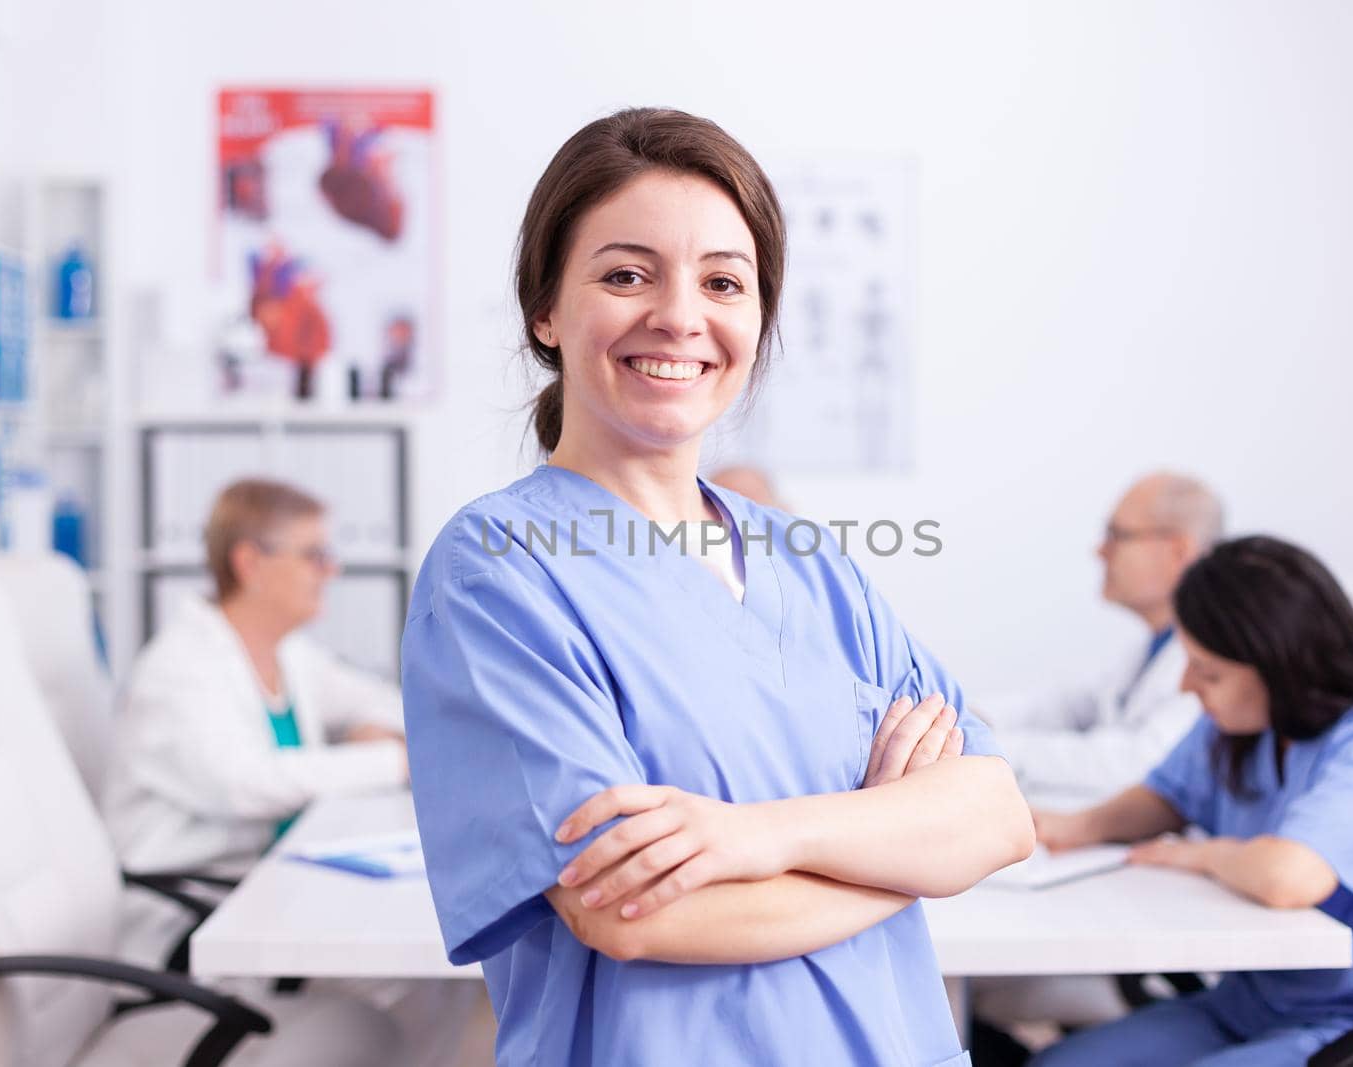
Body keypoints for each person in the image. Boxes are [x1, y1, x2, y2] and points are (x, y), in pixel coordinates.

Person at [401, 107, 1033, 1067]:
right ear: (544, 308)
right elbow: (628, 913)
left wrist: (749, 839)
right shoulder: (497, 570)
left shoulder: (813, 564)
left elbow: (996, 817)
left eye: (723, 282)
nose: (679, 316)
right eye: (625, 274)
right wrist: (898, 864)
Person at [1030, 536, 1353, 1066]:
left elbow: (1290, 876)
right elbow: (1168, 796)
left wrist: (1202, 855)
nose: (1189, 686)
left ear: (1281, 667)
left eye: (1208, 671)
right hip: (1265, 1004)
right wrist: (1071, 827)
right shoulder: (1244, 722)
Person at [105, 478, 409, 880]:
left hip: (270, 877)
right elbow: (246, 784)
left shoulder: (288, 653)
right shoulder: (180, 667)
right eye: (314, 555)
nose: (332, 570)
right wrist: (397, 762)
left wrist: (375, 730)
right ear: (250, 563)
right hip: (196, 907)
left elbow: (379, 701)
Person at [979, 472, 1222, 797]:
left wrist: (979, 744)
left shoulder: (1215, 659)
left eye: (1117, 535)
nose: (1100, 551)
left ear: (1178, 552)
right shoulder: (1149, 648)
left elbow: (1136, 762)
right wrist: (970, 716)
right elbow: (1069, 706)